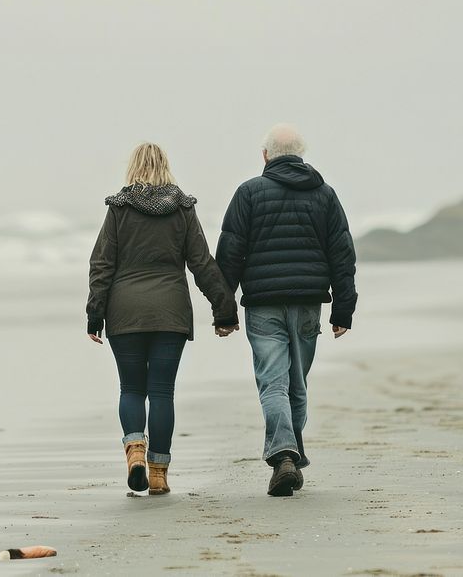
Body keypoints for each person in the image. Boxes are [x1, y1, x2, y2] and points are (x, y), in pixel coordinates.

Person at [215, 125, 358, 497]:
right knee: (297, 383)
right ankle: (291, 451)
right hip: (309, 302)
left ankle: (283, 455)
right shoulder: (325, 194)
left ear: (265, 155)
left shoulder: (248, 193)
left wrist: (224, 310)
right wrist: (343, 310)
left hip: (263, 304)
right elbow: (342, 255)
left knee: (272, 382)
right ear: (301, 154)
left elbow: (229, 254)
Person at [87, 143, 237, 495]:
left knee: (132, 389)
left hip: (125, 313)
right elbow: (202, 263)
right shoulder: (182, 209)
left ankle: (135, 450)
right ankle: (157, 475)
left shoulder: (119, 209)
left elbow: (102, 265)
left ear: (133, 167)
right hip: (170, 312)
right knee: (162, 393)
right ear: (166, 167)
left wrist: (94, 314)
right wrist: (224, 309)